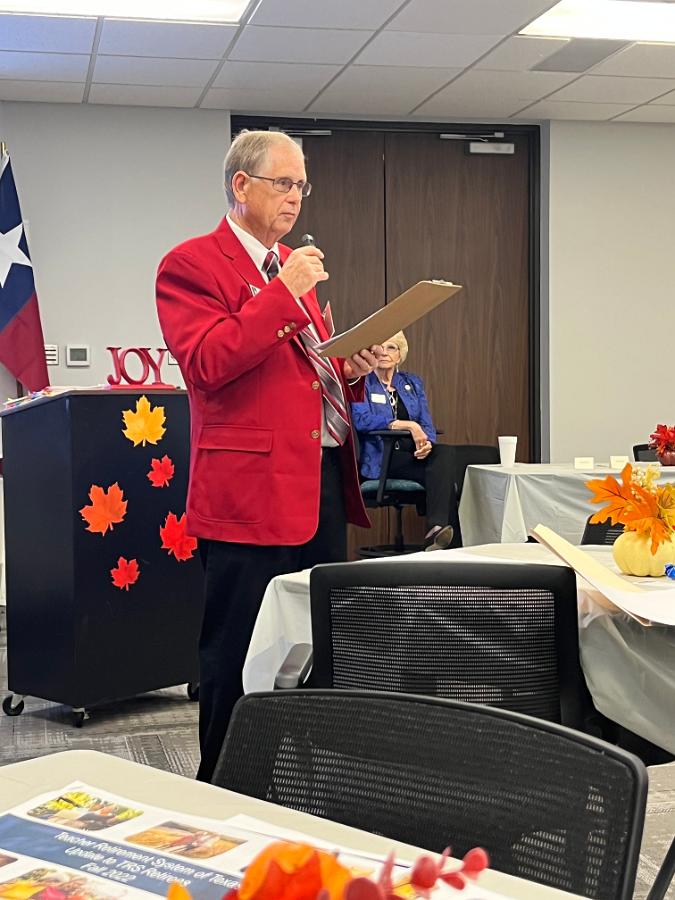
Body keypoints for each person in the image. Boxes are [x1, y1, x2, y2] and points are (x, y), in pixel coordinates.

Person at [156, 130, 382, 783]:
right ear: (241, 185)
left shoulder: (291, 267)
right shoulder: (192, 264)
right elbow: (208, 363)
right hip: (247, 495)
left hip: (317, 482)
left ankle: (298, 783)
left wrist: (349, 369)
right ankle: (223, 786)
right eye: (283, 183)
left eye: (301, 186)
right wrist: (282, 292)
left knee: (307, 649)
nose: (295, 197)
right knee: (237, 654)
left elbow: (300, 375)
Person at [351, 331, 458, 548]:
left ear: (400, 355)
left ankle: (437, 530)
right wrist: (407, 425)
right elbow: (361, 420)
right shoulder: (362, 382)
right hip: (384, 459)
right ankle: (450, 543)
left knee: (444, 456)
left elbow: (427, 423)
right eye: (379, 348)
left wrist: (427, 444)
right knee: (444, 475)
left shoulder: (412, 383)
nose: (384, 353)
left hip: (412, 455)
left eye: (391, 347)